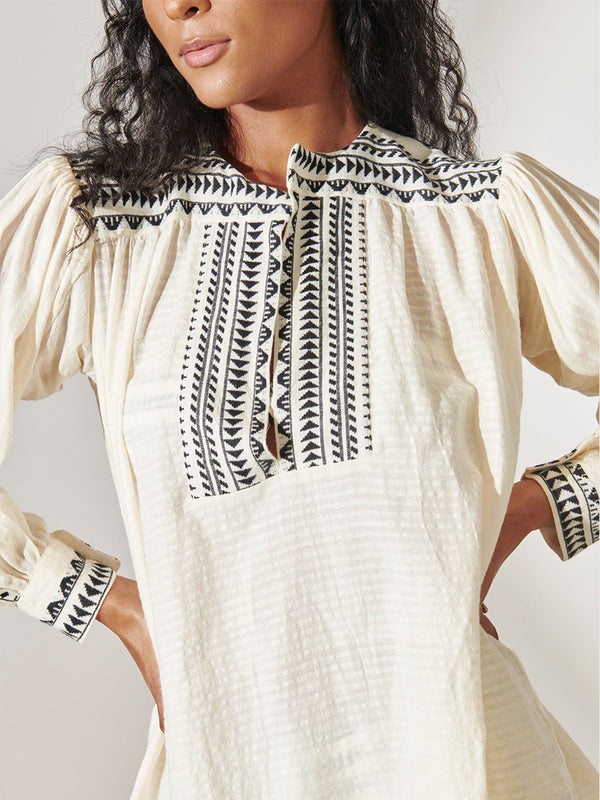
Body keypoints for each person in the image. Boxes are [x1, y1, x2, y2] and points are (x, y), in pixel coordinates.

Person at [0, 0, 598, 797]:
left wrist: (534, 506)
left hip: (463, 759)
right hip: (229, 766)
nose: (180, 6)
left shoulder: (477, 220)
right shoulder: (101, 230)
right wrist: (110, 606)